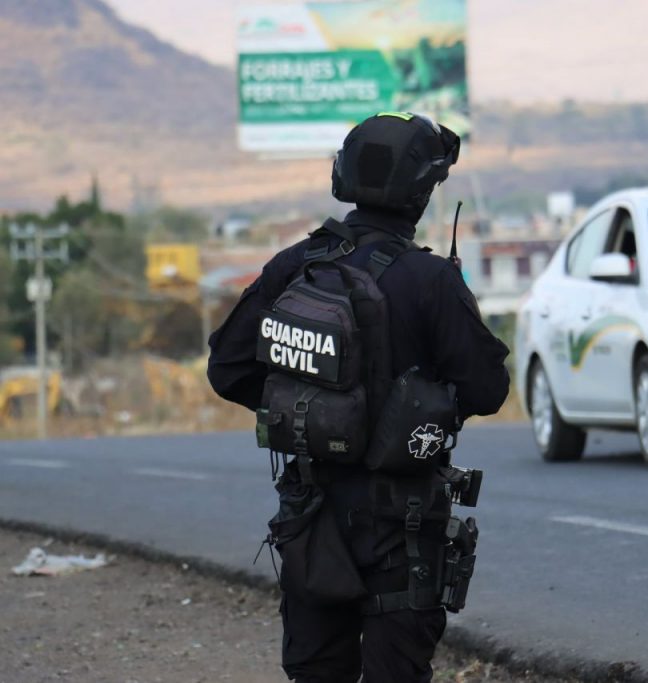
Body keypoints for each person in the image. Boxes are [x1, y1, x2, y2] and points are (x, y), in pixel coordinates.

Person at [207, 112, 511, 683]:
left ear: (343, 175)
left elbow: (227, 369)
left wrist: (308, 410)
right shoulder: (430, 280)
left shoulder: (296, 264)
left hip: (310, 508)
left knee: (317, 672)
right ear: (420, 192)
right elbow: (488, 389)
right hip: (403, 522)